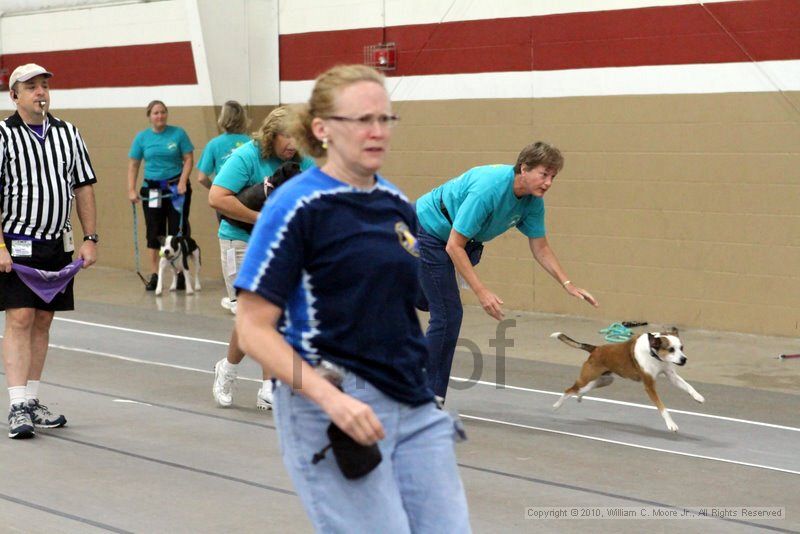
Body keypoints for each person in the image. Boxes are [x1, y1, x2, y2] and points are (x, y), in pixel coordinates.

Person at [235, 65, 470, 532]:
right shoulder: (296, 206)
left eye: (385, 119)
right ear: (322, 129)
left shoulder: (396, 204)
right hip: (331, 401)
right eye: (362, 120)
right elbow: (252, 327)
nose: (377, 131)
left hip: (412, 402)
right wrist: (331, 399)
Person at [416, 142, 599, 401]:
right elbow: (453, 245)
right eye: (543, 174)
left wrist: (567, 283)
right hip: (431, 230)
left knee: (425, 300)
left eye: (553, 177)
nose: (548, 182)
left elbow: (541, 246)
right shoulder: (489, 189)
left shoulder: (533, 202)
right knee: (448, 314)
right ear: (524, 168)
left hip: (464, 243)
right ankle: (427, 397)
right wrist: (481, 292)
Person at [0, 63, 98, 439]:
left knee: (43, 320)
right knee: (20, 318)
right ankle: (16, 403)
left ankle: (33, 400)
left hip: (56, 243)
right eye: (31, 87)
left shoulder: (68, 134)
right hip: (17, 243)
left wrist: (91, 237)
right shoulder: (4, 136)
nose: (40, 93)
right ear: (15, 95)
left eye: (44, 86)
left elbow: (84, 185)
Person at [208, 106, 314, 410]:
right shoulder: (247, 157)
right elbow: (216, 198)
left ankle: (259, 381)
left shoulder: (300, 162)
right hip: (239, 239)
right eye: (287, 137)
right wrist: (261, 217)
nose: (293, 144)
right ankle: (237, 373)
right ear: (271, 135)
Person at [127, 100, 194, 291]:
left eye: (163, 112)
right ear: (149, 116)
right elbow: (133, 164)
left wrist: (183, 181)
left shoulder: (178, 134)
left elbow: (188, 159)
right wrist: (131, 189)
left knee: (177, 230)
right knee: (154, 231)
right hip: (153, 190)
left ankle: (180, 274)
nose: (160, 116)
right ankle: (156, 274)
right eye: (156, 113)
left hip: (175, 189)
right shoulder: (142, 138)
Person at [196, 100, 250, 190]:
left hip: (224, 193)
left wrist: (215, 190)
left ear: (222, 118)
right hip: (248, 194)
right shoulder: (252, 142)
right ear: (243, 119)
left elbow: (202, 178)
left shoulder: (213, 144)